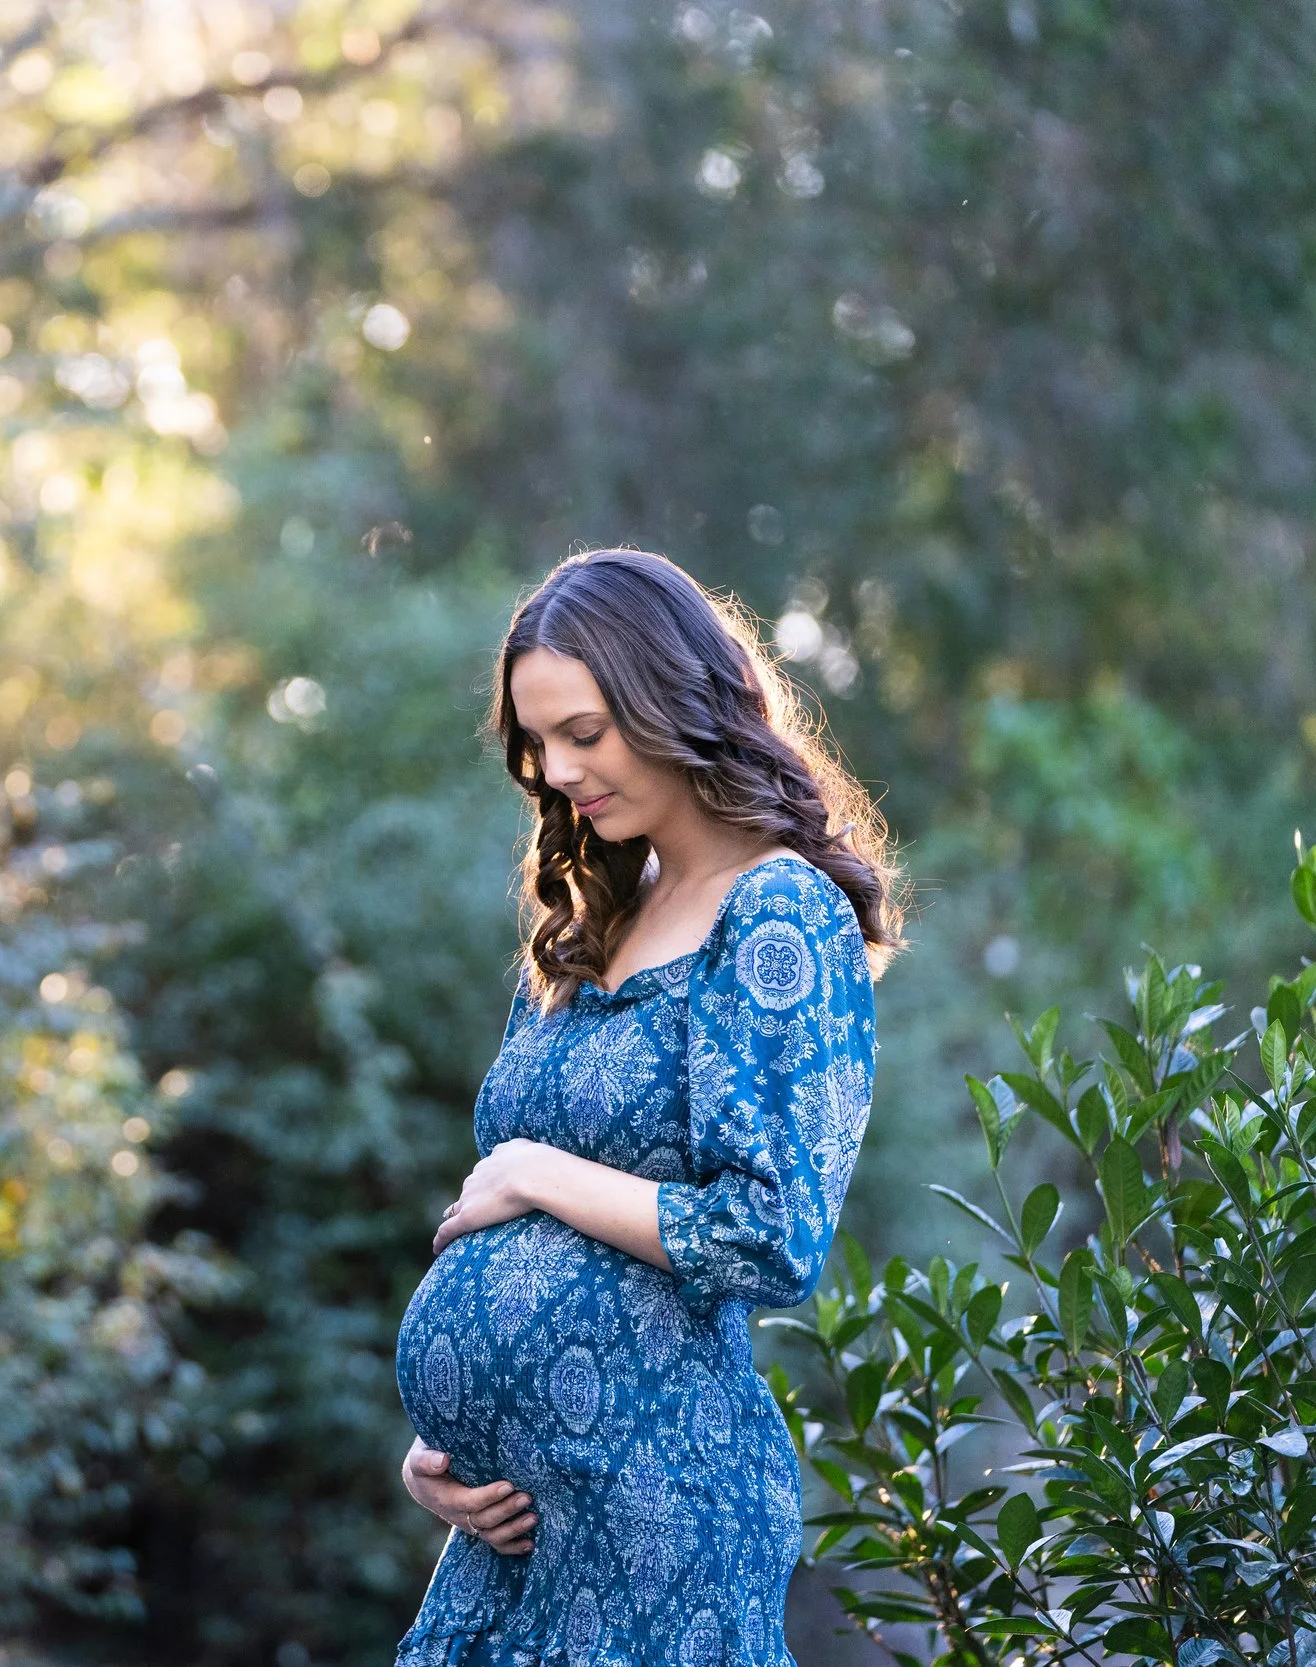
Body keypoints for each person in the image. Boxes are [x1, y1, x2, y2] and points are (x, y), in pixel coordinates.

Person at [392, 548, 903, 1666]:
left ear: (673, 698)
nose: (558, 767)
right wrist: (447, 1445)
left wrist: (534, 1171)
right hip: (520, 1526)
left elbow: (771, 1232)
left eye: (584, 731)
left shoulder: (775, 914)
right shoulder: (600, 911)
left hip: (660, 1519)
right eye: (536, 743)